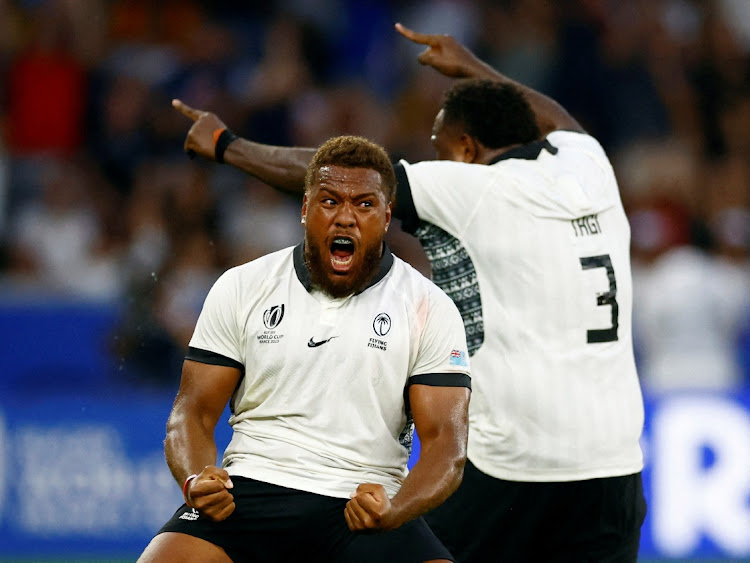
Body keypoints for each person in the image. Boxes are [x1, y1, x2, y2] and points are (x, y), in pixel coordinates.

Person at [172, 22, 647, 562]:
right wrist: (474, 67)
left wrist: (226, 145)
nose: (437, 159)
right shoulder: (591, 168)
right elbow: (557, 120)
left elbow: (340, 177)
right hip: (614, 463)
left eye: (440, 147)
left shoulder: (472, 187)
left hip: (515, 462)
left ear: (466, 149)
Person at [137, 135, 472, 563]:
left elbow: (447, 445)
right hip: (249, 491)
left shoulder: (429, 306)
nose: (346, 218)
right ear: (304, 210)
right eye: (330, 201)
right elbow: (192, 414)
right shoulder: (243, 286)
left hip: (363, 504)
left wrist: (396, 509)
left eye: (364, 204)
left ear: (387, 216)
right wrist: (196, 481)